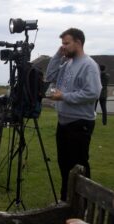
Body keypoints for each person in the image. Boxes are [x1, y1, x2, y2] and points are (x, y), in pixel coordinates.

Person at [46, 28, 102, 201]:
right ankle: (66, 200)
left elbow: (93, 93)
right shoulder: (66, 63)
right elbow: (49, 76)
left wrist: (64, 96)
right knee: (64, 164)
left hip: (79, 123)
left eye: (66, 43)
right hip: (63, 122)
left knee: (78, 166)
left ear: (78, 42)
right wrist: (57, 56)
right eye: (62, 44)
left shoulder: (89, 65)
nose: (63, 47)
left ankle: (83, 204)